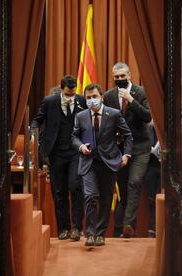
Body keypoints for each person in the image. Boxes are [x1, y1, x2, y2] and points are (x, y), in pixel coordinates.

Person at [72, 83, 133, 246]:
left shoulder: (113, 113)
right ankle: (90, 233)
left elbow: (127, 135)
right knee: (90, 196)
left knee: (106, 199)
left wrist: (126, 154)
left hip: (109, 162)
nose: (92, 100)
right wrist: (80, 146)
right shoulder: (81, 116)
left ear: (101, 97)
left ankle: (100, 233)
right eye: (88, 97)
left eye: (94, 97)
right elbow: (74, 136)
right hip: (88, 162)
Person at [31, 75, 87, 241]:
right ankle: (63, 228)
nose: (71, 97)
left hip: (76, 151)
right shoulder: (50, 101)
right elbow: (37, 120)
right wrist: (33, 132)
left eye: (73, 93)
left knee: (75, 186)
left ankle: (77, 228)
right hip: (56, 153)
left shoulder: (82, 100)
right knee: (59, 191)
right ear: (61, 89)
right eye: (68, 94)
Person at [103, 62, 152, 238]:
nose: (120, 80)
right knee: (123, 190)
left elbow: (147, 116)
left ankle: (128, 225)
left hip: (140, 147)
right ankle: (119, 229)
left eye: (123, 76)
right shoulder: (108, 95)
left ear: (129, 75)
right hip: (119, 149)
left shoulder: (140, 92)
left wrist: (131, 101)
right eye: (116, 77)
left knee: (135, 182)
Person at [144, 120, 162, 238]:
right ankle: (153, 226)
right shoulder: (147, 128)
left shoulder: (165, 128)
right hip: (150, 165)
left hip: (164, 166)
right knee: (151, 198)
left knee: (161, 195)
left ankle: (160, 227)